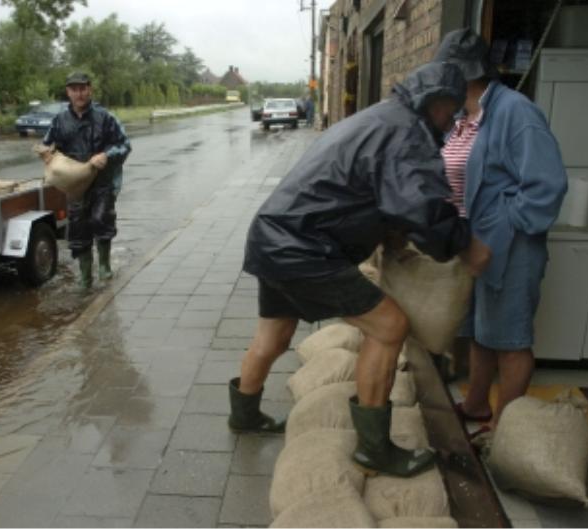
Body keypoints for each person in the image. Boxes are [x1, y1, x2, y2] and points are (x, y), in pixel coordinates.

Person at [229, 62, 491, 477]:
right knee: (388, 326)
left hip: (273, 235)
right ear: (437, 101)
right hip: (304, 248)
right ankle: (374, 449)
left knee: (273, 336)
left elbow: (379, 192)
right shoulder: (407, 131)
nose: (452, 120)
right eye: (452, 110)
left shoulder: (380, 117)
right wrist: (463, 244)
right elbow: (420, 205)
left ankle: (243, 416)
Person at [435, 29, 568, 436]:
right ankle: (476, 406)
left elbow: (546, 184)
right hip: (473, 243)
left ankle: (505, 428)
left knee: (510, 339)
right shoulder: (463, 116)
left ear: (465, 73)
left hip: (510, 246)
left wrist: (507, 226)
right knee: (481, 330)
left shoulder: (515, 112)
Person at [43, 72, 131, 288]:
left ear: (90, 90)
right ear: (68, 92)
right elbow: (48, 144)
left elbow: (124, 144)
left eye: (83, 89)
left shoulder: (105, 117)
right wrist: (47, 152)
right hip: (74, 185)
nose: (79, 93)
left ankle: (104, 266)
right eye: (74, 89)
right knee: (78, 227)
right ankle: (84, 276)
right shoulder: (60, 120)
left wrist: (106, 155)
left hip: (102, 181)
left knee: (102, 220)